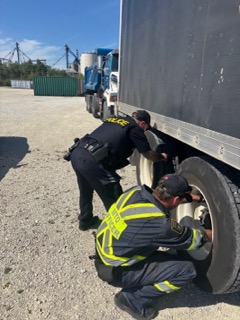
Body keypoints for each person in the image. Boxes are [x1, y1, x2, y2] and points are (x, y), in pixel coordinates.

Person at [94, 173, 212, 320]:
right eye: (182, 197)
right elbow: (195, 239)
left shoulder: (135, 192)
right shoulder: (160, 225)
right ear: (176, 199)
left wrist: (189, 198)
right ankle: (132, 299)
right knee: (186, 271)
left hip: (107, 253)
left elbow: (165, 202)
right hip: (118, 271)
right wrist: (218, 232)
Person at [70, 110, 168, 231]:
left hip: (77, 153)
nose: (145, 131)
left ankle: (85, 220)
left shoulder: (115, 119)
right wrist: (162, 156)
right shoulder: (135, 128)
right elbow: (148, 154)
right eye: (146, 128)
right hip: (92, 161)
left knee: (85, 190)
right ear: (142, 123)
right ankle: (122, 231)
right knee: (114, 195)